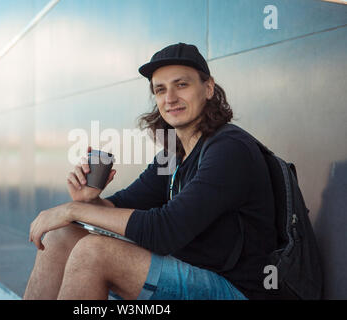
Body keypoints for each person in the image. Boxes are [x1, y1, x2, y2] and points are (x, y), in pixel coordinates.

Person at [24, 43, 277, 300]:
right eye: (160, 89)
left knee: (94, 252)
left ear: (208, 88)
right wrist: (91, 200)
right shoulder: (173, 156)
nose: (169, 99)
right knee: (62, 235)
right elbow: (122, 206)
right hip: (193, 270)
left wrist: (71, 210)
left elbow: (164, 232)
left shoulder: (229, 148)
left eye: (181, 85)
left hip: (237, 289)